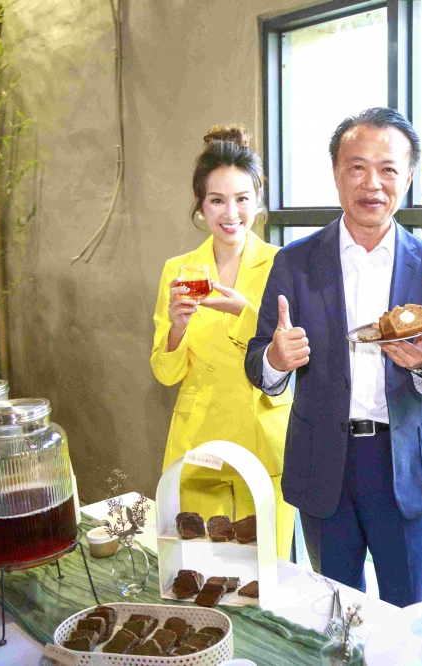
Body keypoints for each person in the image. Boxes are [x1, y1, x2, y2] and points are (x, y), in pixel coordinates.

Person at [244, 107, 422, 608]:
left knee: (411, 611)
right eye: (357, 167)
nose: (372, 183)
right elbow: (258, 360)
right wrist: (276, 358)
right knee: (336, 610)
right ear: (336, 174)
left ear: (408, 177)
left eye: (388, 169)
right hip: (324, 464)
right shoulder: (295, 262)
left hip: (402, 467)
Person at [151, 125, 295, 559]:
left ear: (258, 202)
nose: (230, 213)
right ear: (200, 205)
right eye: (217, 200)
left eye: (242, 199)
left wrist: (243, 312)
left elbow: (290, 353)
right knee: (201, 567)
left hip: (265, 443)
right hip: (201, 444)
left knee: (266, 572)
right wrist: (177, 327)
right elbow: (165, 373)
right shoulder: (179, 270)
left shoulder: (284, 265)